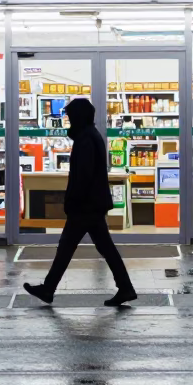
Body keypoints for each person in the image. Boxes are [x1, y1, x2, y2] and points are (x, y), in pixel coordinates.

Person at [23, 98, 137, 307]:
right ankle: (125, 287)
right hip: (92, 204)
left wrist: (72, 200)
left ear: (79, 117)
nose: (69, 121)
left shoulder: (85, 139)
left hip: (85, 205)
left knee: (68, 247)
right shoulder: (90, 136)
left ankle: (49, 289)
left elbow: (82, 176)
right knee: (99, 248)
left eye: (71, 116)